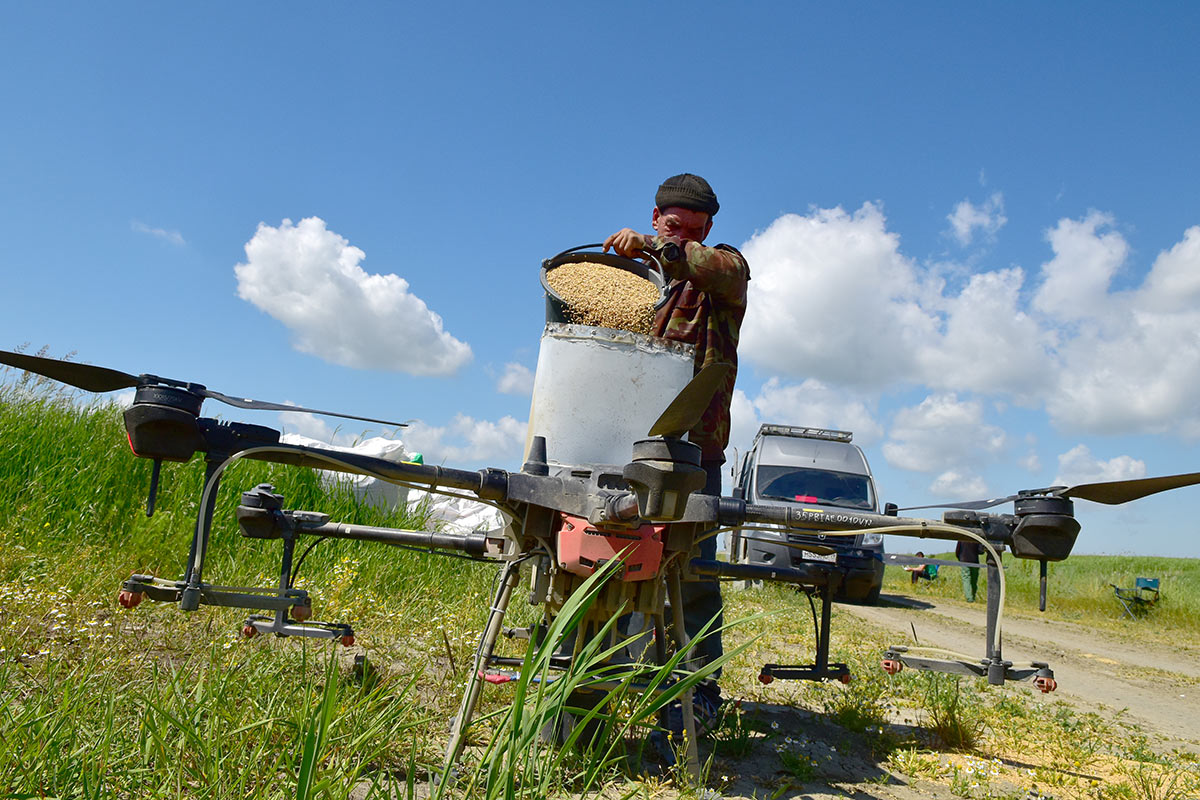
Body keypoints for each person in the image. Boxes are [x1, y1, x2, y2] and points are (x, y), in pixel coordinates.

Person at [603, 173, 750, 728]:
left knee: (693, 575)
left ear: (709, 229)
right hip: (626, 444)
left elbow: (713, 266)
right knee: (614, 558)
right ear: (654, 213)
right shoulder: (637, 284)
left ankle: (698, 685)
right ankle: (605, 667)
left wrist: (659, 246)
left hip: (695, 452)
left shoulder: (723, 271)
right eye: (672, 225)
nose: (683, 235)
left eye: (695, 229)